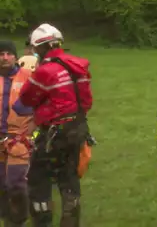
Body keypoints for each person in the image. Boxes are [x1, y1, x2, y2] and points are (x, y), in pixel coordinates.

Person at [18, 23, 93, 227]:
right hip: (78, 129)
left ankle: (42, 223)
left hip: (54, 133)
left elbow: (26, 98)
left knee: (38, 178)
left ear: (41, 48)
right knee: (69, 178)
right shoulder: (79, 65)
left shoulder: (45, 71)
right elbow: (86, 102)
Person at [0, 41, 35, 227]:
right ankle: (7, 218)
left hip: (19, 139)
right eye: (1, 54)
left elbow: (43, 103)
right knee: (2, 186)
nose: (5, 58)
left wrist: (32, 129)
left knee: (16, 184)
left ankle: (18, 221)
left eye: (9, 53)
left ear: (15, 56)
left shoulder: (29, 77)